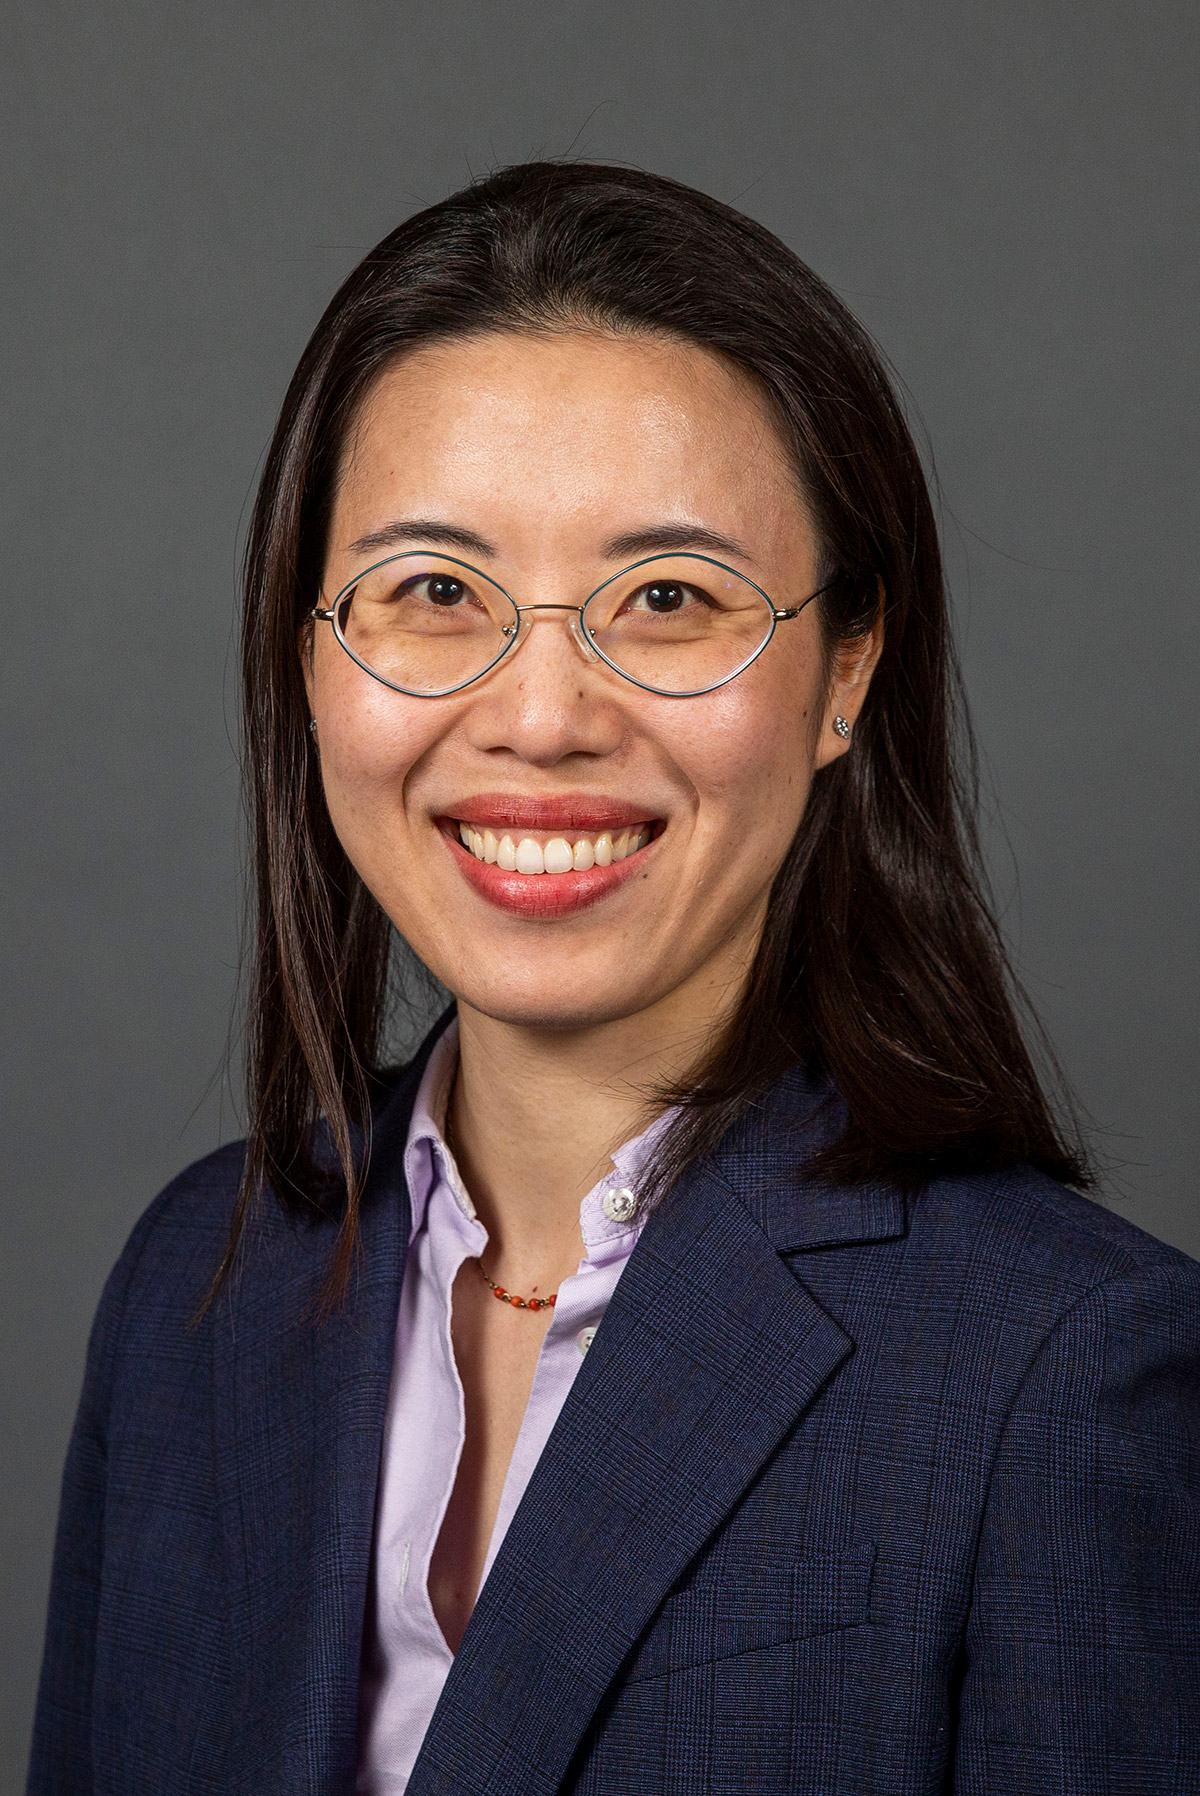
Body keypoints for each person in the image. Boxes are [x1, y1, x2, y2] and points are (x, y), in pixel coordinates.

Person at [28, 162, 1200, 1796]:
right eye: (435, 592)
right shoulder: (198, 1286)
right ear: (308, 654)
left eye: (667, 598)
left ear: (846, 670)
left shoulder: (1064, 1373)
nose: (542, 715)